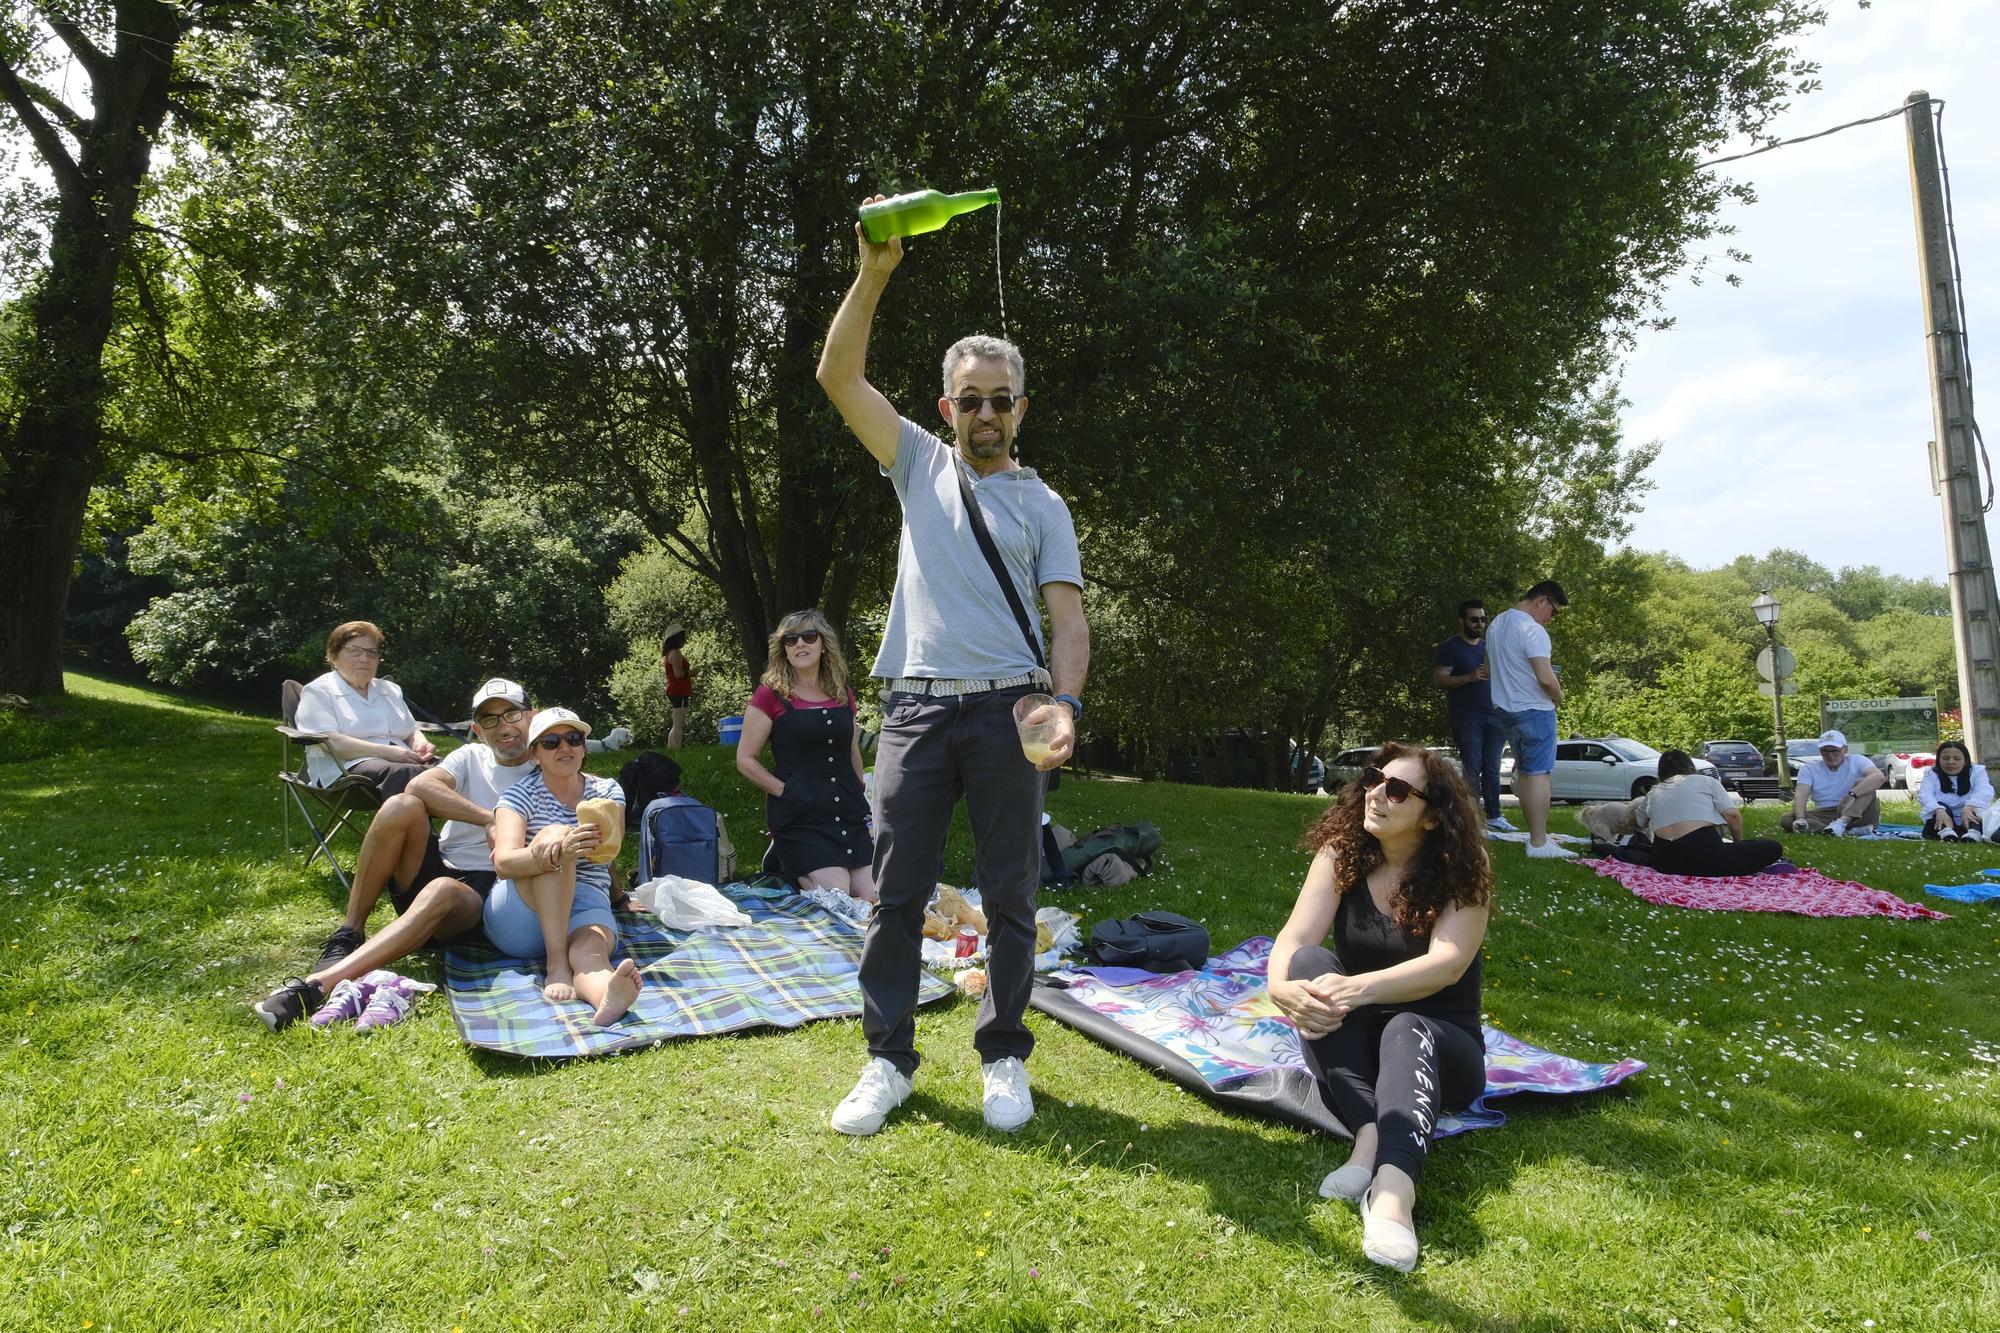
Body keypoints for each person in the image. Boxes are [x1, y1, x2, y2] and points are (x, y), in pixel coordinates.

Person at [815, 195, 1089, 1136]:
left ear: (1021, 408)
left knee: (1012, 893)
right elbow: (836, 373)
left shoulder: (1046, 505)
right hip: (918, 710)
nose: (983, 412)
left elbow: (1068, 619)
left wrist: (1068, 703)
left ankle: (1004, 1055)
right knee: (896, 891)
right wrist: (874, 272)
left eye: (998, 398)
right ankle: (886, 1059)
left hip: (1013, 711)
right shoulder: (917, 463)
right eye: (967, 397)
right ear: (946, 406)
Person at [1268, 743, 1493, 1274]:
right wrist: (1281, 988)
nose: (1377, 794)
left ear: (1433, 816)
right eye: (1374, 779)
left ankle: (1393, 1193)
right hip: (1364, 1035)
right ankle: (1368, 1135)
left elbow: (1448, 964)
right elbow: (1293, 939)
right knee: (1309, 964)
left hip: (1441, 1046)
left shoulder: (1462, 865)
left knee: (1408, 1026)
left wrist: (1359, 989)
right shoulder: (1342, 851)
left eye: (1397, 789)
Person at [255, 677, 540, 1031]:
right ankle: (349, 932)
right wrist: (488, 819)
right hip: (443, 868)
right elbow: (420, 785)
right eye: (490, 719)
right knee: (401, 805)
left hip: (491, 894)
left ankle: (316, 987)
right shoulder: (470, 756)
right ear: (477, 730)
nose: (503, 727)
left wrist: (617, 897)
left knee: (443, 890)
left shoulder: (550, 765)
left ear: (533, 716)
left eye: (511, 714)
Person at [482, 708, 641, 1026]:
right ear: (535, 754)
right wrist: (558, 852)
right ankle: (556, 963)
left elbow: (609, 851)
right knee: (556, 835)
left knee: (591, 952)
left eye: (573, 738)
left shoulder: (606, 792)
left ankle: (606, 997)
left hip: (585, 903)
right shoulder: (518, 796)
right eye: (551, 741)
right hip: (522, 914)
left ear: (584, 747)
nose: (565, 747)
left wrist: (581, 848)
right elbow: (503, 862)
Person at [735, 610, 877, 901]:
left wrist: (860, 789)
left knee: (874, 895)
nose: (800, 644)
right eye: (791, 639)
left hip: (847, 811)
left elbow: (851, 748)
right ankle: (783, 860)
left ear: (823, 644)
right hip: (800, 815)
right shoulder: (770, 695)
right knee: (838, 895)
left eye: (809, 637)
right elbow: (745, 759)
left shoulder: (842, 692)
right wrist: (783, 791)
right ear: (783, 649)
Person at [294, 620, 437, 797]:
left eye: (371, 652)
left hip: (405, 760)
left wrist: (420, 742)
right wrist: (387, 752)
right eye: (355, 651)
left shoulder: (389, 689)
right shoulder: (318, 692)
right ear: (333, 656)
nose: (365, 658)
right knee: (407, 774)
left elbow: (410, 730)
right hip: (345, 768)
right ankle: (413, 824)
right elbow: (330, 742)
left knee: (453, 768)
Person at [1485, 581, 1573, 858]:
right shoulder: (1533, 630)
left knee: (1525, 772)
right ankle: (1538, 843)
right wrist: (1558, 696)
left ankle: (1538, 837)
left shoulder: (1496, 624)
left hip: (1504, 708)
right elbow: (1546, 679)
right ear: (1542, 601)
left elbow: (1488, 668)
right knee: (1538, 774)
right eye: (1554, 612)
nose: (1551, 619)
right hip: (1535, 708)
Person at [1634, 750, 1785, 876]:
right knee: (1772, 847)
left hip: (1664, 861)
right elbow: (1732, 815)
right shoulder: (1706, 781)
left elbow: (1639, 821)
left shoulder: (1654, 792)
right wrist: (1738, 842)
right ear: (1690, 766)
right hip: (1704, 854)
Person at [1432, 598, 1511, 832]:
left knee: (1492, 768)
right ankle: (1471, 818)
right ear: (1462, 621)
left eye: (1483, 619)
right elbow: (1439, 679)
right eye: (1474, 619)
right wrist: (1469, 677)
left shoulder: (1489, 647)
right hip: (1467, 718)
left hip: (1495, 716)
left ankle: (1495, 816)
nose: (1479, 623)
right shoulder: (1450, 647)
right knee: (1472, 767)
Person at [1780, 729, 1885, 837]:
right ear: (1820, 751)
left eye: (1835, 751)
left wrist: (1851, 795)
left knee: (1866, 783)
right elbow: (1800, 796)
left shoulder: (1857, 760)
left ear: (1845, 749)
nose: (1830, 755)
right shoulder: (1809, 768)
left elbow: (1878, 777)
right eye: (1825, 751)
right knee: (1787, 819)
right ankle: (1842, 831)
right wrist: (1800, 818)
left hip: (1859, 810)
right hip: (1825, 813)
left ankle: (1842, 824)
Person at [1917, 740, 1991, 841]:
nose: (1950, 762)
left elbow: (1984, 791)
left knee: (1978, 809)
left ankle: (1973, 834)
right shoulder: (1931, 773)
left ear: (1965, 761)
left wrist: (1969, 807)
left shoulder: (1977, 771)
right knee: (1938, 806)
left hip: (1968, 816)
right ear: (1939, 760)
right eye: (1945, 758)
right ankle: (1947, 833)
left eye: (1957, 759)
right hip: (1942, 817)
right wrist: (1939, 810)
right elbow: (1925, 795)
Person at [661, 624, 694, 749]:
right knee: (679, 723)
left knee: (677, 723)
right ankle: (677, 750)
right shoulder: (674, 653)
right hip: (678, 691)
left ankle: (672, 749)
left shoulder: (670, 653)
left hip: (677, 691)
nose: (684, 640)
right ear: (677, 639)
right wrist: (692, 672)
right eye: (682, 637)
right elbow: (678, 674)